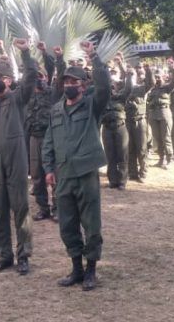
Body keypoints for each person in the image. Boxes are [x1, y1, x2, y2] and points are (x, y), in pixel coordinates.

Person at [42, 40, 110, 291]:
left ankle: (91, 270)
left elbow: (104, 87)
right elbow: (49, 140)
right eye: (66, 82)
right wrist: (48, 168)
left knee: (91, 225)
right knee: (67, 225)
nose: (69, 85)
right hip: (64, 175)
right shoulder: (56, 110)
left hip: (86, 173)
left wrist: (95, 57)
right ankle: (76, 269)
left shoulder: (92, 105)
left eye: (74, 82)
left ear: (84, 85)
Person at [0, 38, 36, 275]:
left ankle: (24, 255)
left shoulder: (18, 99)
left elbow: (31, 76)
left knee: (20, 207)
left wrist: (26, 53)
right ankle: (4, 254)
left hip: (17, 158)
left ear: (9, 80)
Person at [26, 42, 63, 220]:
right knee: (37, 175)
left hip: (52, 139)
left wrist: (48, 54)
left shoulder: (53, 93)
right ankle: (43, 208)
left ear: (45, 78)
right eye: (36, 77)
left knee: (54, 174)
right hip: (34, 138)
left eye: (41, 77)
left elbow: (58, 73)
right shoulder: (28, 94)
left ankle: (57, 208)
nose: (38, 79)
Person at [101, 54, 131, 189]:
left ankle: (122, 181)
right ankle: (113, 180)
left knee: (122, 154)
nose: (112, 88)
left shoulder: (121, 98)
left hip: (120, 127)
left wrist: (129, 76)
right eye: (110, 86)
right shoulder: (102, 99)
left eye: (114, 86)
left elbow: (129, 88)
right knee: (110, 155)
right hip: (107, 128)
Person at [146, 60, 174, 169]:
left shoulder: (167, 88)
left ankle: (169, 159)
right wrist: (148, 71)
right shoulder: (152, 89)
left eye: (159, 77)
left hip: (164, 113)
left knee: (166, 137)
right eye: (156, 77)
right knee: (157, 138)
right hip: (154, 114)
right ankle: (161, 159)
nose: (157, 79)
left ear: (163, 78)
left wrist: (173, 69)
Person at [125, 63, 153, 183]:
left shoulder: (141, 88)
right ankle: (132, 173)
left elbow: (150, 83)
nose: (131, 76)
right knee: (130, 148)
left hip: (140, 121)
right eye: (129, 74)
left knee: (141, 148)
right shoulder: (124, 90)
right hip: (128, 122)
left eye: (132, 74)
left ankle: (143, 172)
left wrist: (148, 71)